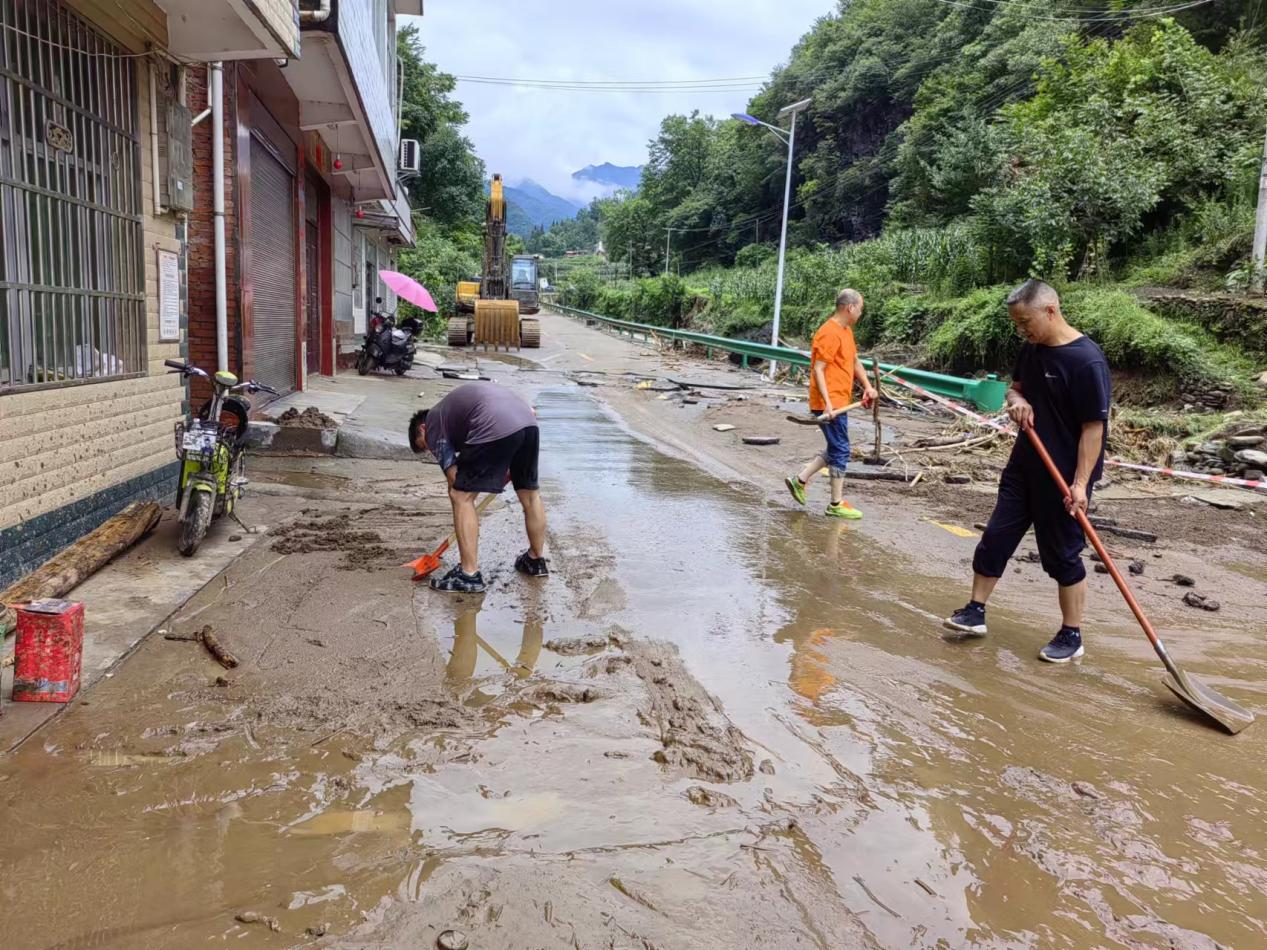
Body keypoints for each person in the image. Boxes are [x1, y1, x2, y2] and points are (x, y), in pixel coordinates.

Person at [943, 279, 1111, 663]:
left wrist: (1081, 484)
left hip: (1064, 476)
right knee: (996, 538)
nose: (1022, 330)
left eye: (1025, 321)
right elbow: (1014, 388)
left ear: (1050, 310)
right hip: (1024, 467)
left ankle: (1072, 634)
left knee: (1062, 555)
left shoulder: (1087, 361)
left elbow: (1093, 429)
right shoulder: (1031, 350)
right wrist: (1017, 401)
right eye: (1017, 324)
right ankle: (975, 611)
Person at [409, 382, 549, 593]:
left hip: (495, 422)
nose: (432, 449)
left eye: (425, 445)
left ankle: (468, 575)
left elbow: (455, 478)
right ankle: (536, 561)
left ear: (422, 429)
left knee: (460, 495)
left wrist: (466, 487)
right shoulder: (454, 415)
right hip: (528, 422)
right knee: (530, 495)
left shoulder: (433, 422)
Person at [784, 288, 877, 519]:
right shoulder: (828, 332)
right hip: (829, 403)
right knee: (842, 449)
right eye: (861, 308)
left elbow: (854, 361)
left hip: (839, 401)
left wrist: (867, 386)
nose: (861, 313)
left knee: (835, 447)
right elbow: (818, 369)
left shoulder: (846, 332)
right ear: (850, 307)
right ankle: (835, 504)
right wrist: (827, 404)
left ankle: (800, 480)